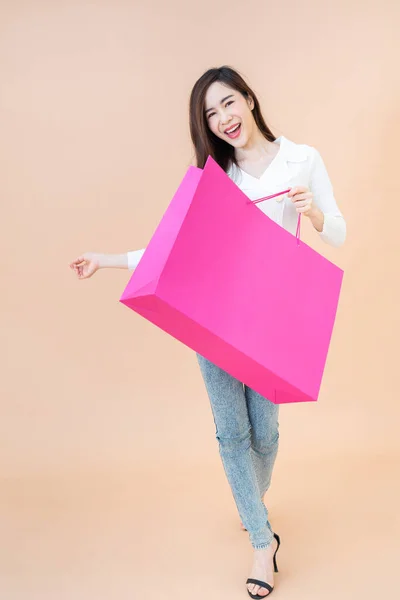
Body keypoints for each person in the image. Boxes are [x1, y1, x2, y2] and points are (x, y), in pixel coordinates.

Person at [69, 65, 346, 598]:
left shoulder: (301, 159)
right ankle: (263, 544)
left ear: (247, 98)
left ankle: (252, 505)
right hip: (215, 318)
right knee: (232, 434)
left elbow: (337, 231)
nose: (222, 120)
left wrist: (311, 216)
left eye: (227, 104)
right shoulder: (218, 177)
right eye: (210, 114)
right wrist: (105, 260)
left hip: (273, 320)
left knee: (265, 435)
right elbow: (175, 249)